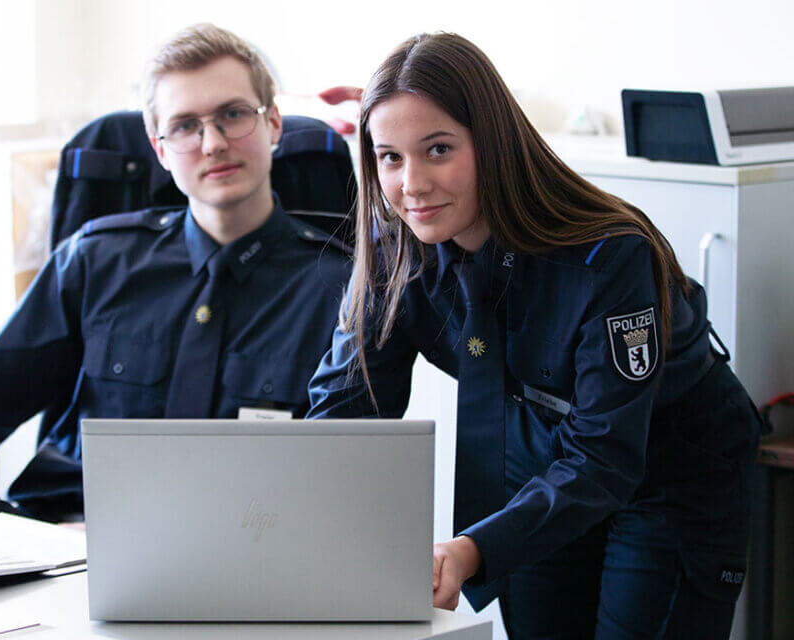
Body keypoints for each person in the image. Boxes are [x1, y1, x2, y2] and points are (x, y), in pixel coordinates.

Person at [306, 32, 761, 638]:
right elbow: (346, 407)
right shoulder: (398, 254)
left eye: (437, 149)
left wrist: (471, 548)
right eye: (389, 157)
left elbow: (606, 453)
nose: (411, 184)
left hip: (671, 465)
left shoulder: (611, 254)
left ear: (491, 143)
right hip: (548, 464)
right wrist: (281, 508)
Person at [0, 23, 350, 522]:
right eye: (185, 126)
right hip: (77, 548)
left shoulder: (340, 290)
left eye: (233, 115)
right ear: (159, 150)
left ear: (273, 125)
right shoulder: (95, 262)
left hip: (252, 559)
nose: (213, 143)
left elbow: (345, 484)